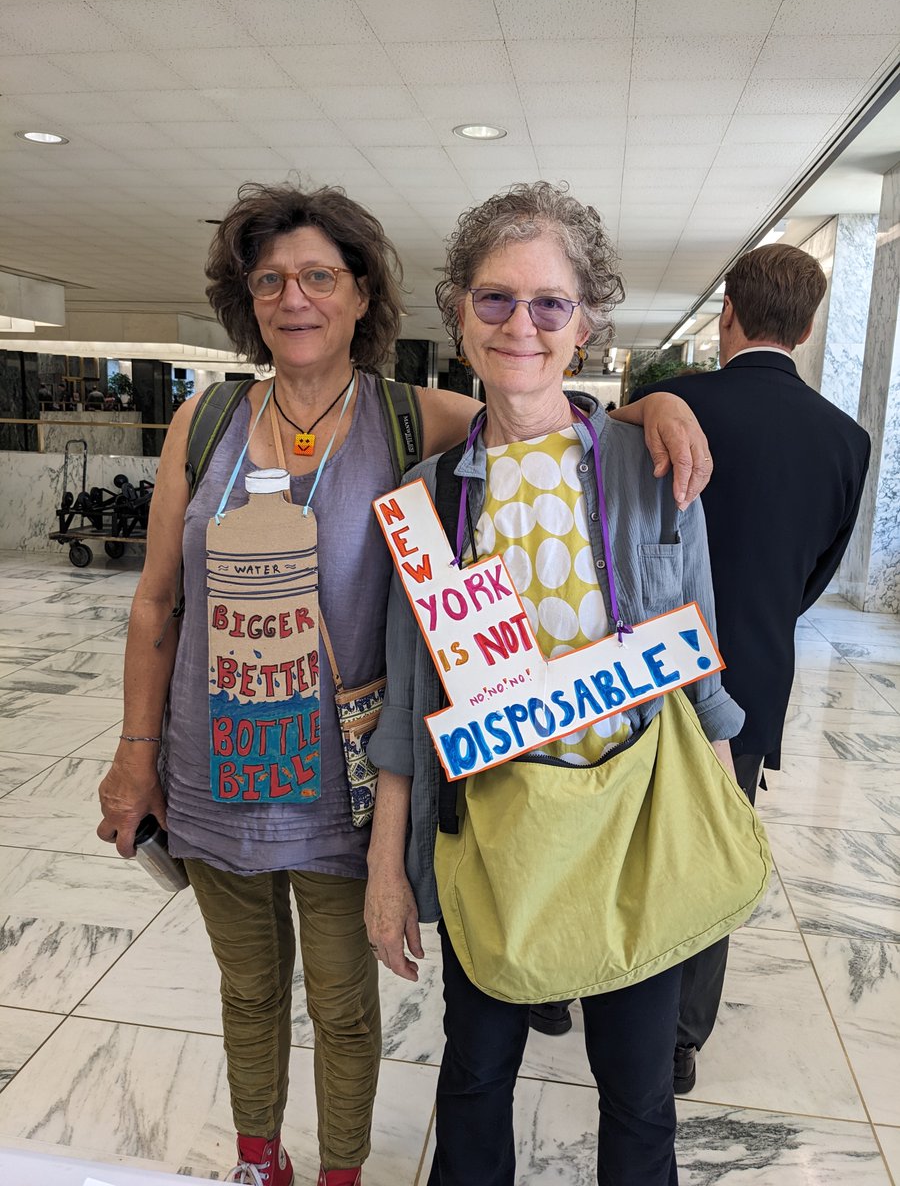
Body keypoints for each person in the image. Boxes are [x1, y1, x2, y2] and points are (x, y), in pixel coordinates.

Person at [95, 180, 711, 1186]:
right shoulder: (203, 422)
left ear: (361, 293)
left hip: (341, 784)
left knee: (349, 1004)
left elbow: (540, 416)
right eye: (270, 280)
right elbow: (156, 605)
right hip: (213, 771)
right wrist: (133, 756)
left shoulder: (410, 420)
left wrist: (656, 402)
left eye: (319, 277)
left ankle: (340, 1169)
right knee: (249, 990)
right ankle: (261, 1161)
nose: (294, 298)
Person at [365, 181, 746, 1186]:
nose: (521, 326)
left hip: (634, 829)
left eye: (549, 304)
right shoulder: (424, 506)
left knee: (638, 1097)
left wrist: (718, 827)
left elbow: (699, 663)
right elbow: (409, 706)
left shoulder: (653, 468)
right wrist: (386, 869)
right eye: (494, 300)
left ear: (586, 322)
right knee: (476, 1078)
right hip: (494, 837)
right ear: (458, 314)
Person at [632, 243, 871, 1095]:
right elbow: (819, 570)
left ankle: (569, 988)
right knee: (710, 850)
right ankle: (680, 1038)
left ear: (727, 313)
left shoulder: (665, 406)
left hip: (640, 668)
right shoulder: (846, 440)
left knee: (609, 829)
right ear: (808, 330)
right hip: (751, 677)